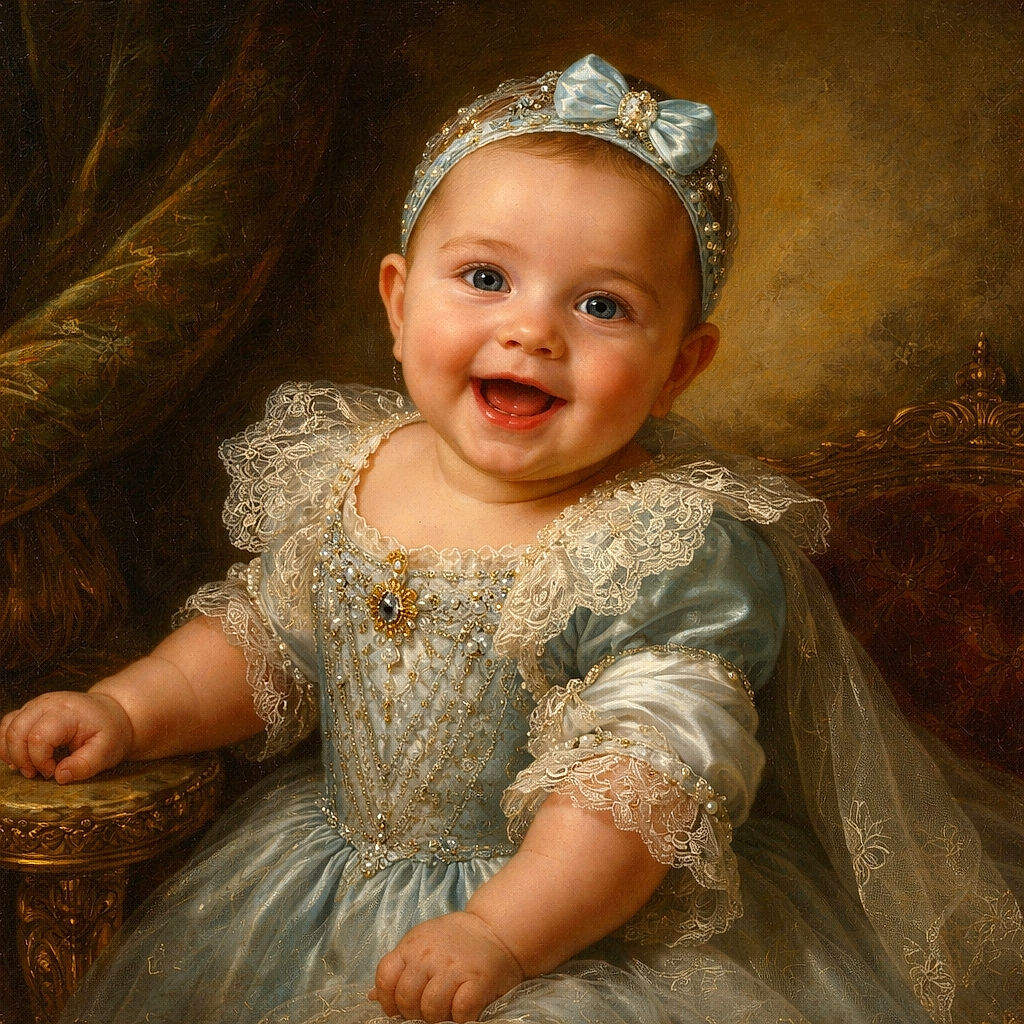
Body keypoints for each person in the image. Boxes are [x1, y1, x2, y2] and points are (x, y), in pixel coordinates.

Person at [1, 54, 1021, 1024]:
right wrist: (126, 710)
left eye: (601, 304)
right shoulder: (356, 467)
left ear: (679, 366)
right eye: (486, 278)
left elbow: (640, 779)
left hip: (572, 921)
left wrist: (499, 931)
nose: (532, 330)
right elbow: (267, 643)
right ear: (399, 304)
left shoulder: (656, 546)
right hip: (314, 890)